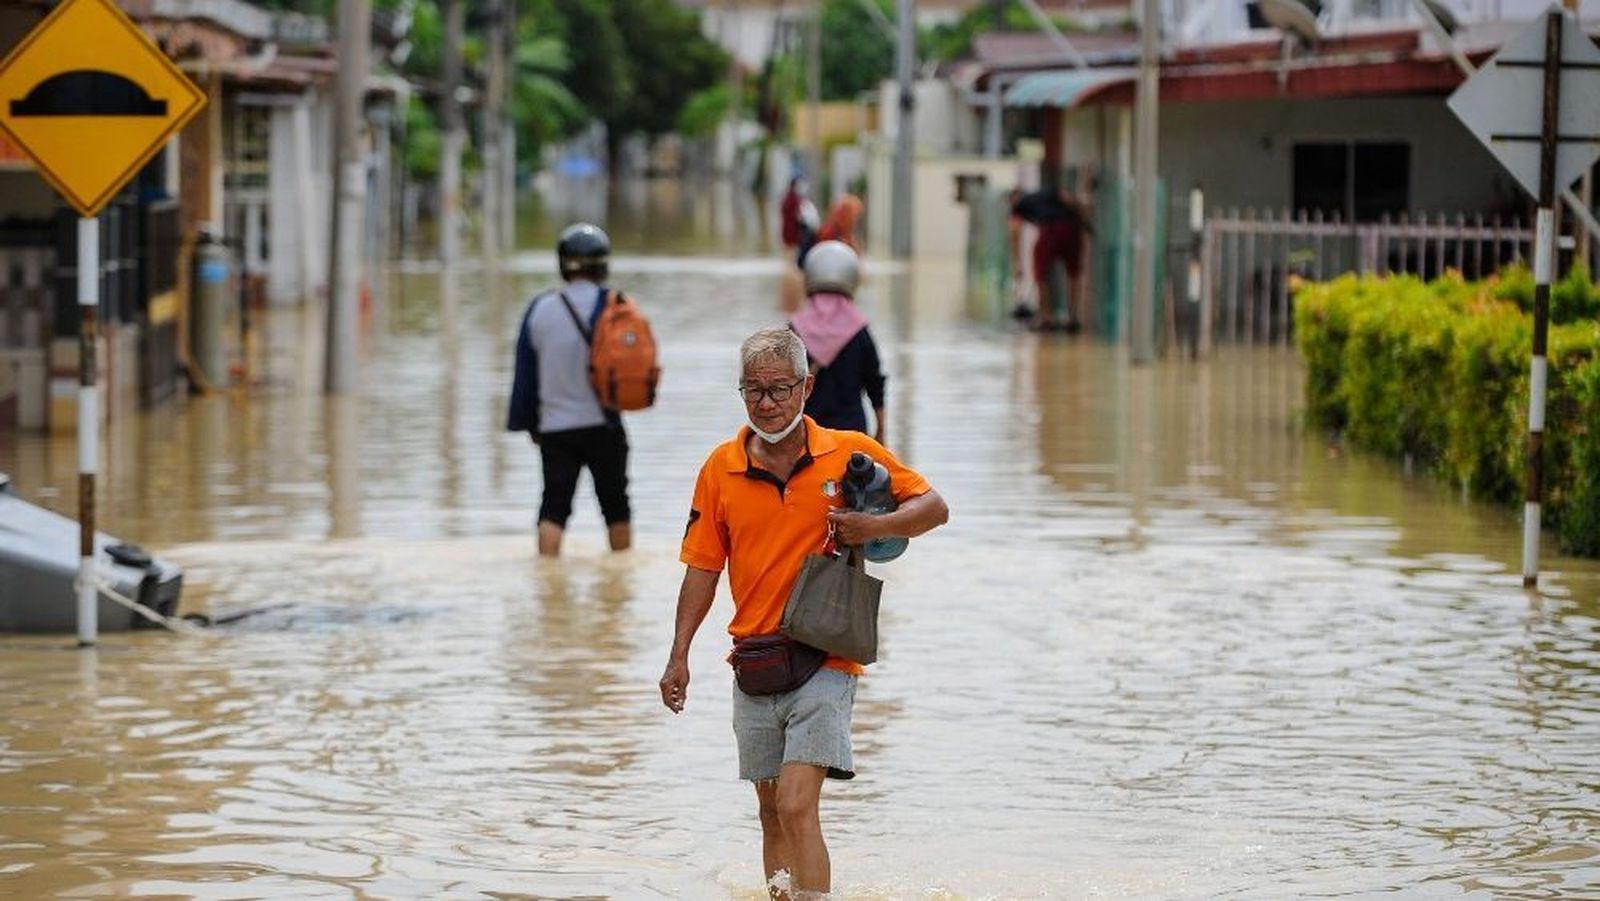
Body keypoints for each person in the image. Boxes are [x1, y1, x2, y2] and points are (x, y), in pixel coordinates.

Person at [659, 327, 948, 899]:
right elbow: (702, 569)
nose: (766, 403)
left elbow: (934, 507)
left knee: (795, 804)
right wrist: (678, 656)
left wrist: (875, 525)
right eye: (753, 390)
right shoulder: (719, 469)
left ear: (807, 388)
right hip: (754, 660)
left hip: (826, 657)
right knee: (770, 813)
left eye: (779, 389)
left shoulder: (850, 451)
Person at [506, 223, 633, 557]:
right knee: (616, 507)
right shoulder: (617, 307)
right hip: (605, 426)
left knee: (553, 507)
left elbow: (525, 377)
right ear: (603, 263)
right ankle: (621, 577)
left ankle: (546, 576)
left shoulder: (540, 309)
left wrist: (530, 425)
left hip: (556, 428)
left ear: (563, 263)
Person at [790, 240, 886, 443]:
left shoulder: (795, 330)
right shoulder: (859, 330)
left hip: (806, 435)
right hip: (851, 435)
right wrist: (881, 431)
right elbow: (875, 384)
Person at [1010, 172, 1092, 332]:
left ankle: (1046, 317)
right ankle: (1073, 317)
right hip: (1072, 228)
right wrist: (1085, 222)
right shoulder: (1048, 191)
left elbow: (1014, 232)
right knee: (1073, 273)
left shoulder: (1019, 205)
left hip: (1049, 230)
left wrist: (1017, 262)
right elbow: (1071, 201)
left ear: (1013, 198)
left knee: (1040, 274)